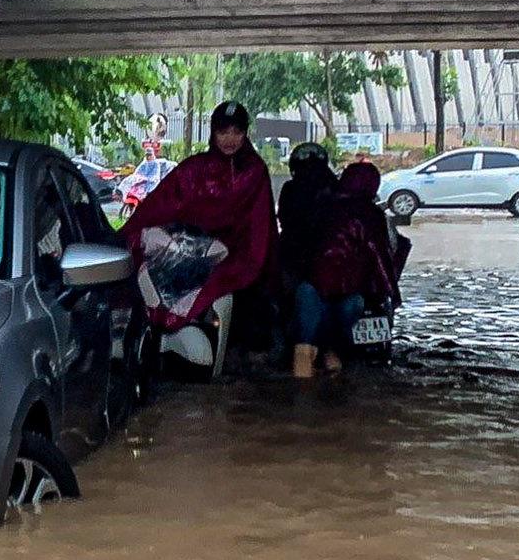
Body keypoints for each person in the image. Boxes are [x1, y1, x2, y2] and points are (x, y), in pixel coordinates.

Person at [122, 102, 278, 352]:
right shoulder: (196, 168)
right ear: (213, 133)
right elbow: (161, 204)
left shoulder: (254, 171)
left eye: (237, 132)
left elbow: (261, 226)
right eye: (223, 132)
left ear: (245, 133)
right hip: (191, 251)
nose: (230, 139)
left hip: (235, 256)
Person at [293, 161, 401, 378]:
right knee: (337, 348)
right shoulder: (370, 214)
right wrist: (392, 293)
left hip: (311, 287)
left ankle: (301, 398)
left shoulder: (322, 207)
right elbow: (380, 256)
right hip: (349, 293)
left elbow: (300, 246)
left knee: (304, 347)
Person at [277, 141, 338, 289]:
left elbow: (283, 217)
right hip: (328, 255)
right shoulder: (335, 187)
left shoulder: (290, 189)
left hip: (295, 253)